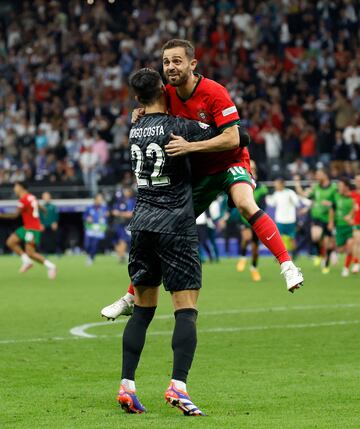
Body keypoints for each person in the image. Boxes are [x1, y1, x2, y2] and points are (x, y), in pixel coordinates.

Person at [102, 39, 303, 319]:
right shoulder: (167, 94)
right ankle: (130, 296)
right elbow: (151, 107)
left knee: (245, 204)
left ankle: (287, 265)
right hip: (199, 173)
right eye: (166, 62)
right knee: (165, 229)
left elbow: (234, 137)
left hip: (230, 162)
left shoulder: (214, 92)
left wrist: (190, 147)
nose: (171, 67)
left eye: (177, 61)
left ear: (192, 64)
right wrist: (141, 111)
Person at [117, 68, 219, 416]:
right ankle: (178, 386)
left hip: (142, 223)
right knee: (186, 308)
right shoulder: (180, 127)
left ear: (137, 99)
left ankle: (127, 386)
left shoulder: (134, 129)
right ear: (164, 88)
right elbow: (237, 136)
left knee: (143, 310)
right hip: (175, 224)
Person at [0, 181, 57, 279]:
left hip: (32, 229)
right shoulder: (31, 197)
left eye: (16, 187)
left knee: (30, 253)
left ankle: (51, 266)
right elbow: (40, 207)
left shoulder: (23, 200)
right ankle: (27, 261)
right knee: (10, 242)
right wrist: (43, 211)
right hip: (27, 227)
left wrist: (1, 215)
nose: (14, 189)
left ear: (21, 187)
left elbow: (15, 215)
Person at [295, 169, 337, 274]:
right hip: (316, 217)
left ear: (325, 175)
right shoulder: (316, 187)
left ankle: (326, 264)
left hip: (328, 218)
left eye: (319, 174)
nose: (317, 176)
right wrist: (297, 183)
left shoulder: (333, 188)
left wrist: (330, 205)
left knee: (327, 243)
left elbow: (336, 203)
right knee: (315, 237)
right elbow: (305, 195)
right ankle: (319, 254)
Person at [236, 161, 269, 281]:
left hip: (256, 219)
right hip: (245, 219)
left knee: (255, 250)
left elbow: (263, 206)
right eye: (251, 169)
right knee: (246, 238)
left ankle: (254, 268)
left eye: (254, 170)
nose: (253, 172)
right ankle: (243, 257)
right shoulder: (242, 185)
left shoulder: (262, 189)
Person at [266, 178, 301, 255]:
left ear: (282, 184)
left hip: (290, 220)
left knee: (291, 238)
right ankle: (282, 254)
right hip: (280, 220)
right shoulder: (276, 194)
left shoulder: (290, 193)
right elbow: (271, 203)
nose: (275, 186)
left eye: (277, 184)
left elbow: (297, 203)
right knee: (279, 239)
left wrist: (292, 200)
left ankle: (294, 254)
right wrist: (266, 197)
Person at [328, 178, 354, 277]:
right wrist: (330, 222)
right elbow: (332, 210)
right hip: (339, 226)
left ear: (346, 187)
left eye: (341, 186)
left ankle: (346, 268)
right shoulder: (336, 196)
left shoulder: (353, 196)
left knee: (350, 247)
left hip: (351, 226)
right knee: (341, 249)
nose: (339, 188)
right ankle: (334, 253)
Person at [83, 193, 109, 265]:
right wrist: (87, 218)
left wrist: (107, 216)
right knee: (87, 244)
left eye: (101, 199)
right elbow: (84, 216)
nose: (100, 201)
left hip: (99, 228)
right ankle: (89, 254)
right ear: (95, 199)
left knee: (94, 244)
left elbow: (106, 216)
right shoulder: (89, 207)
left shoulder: (104, 208)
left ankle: (91, 258)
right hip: (90, 227)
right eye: (99, 199)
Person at [112, 187, 135, 263]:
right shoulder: (121, 201)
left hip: (127, 224)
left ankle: (122, 256)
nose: (125, 192)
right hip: (118, 223)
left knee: (123, 239)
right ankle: (121, 255)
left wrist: (119, 213)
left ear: (130, 192)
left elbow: (131, 214)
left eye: (127, 191)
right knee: (116, 240)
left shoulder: (131, 201)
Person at [350, 174, 360, 273]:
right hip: (357, 222)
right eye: (357, 180)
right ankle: (356, 263)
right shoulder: (352, 194)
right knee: (357, 242)